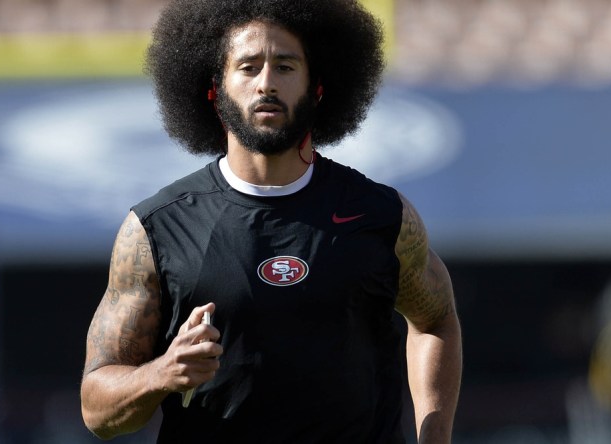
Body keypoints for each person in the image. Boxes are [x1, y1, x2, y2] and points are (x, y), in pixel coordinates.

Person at [80, 0, 462, 442]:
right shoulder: (156, 229)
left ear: (317, 86)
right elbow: (96, 411)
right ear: (214, 89)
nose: (266, 83)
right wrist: (161, 373)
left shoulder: (380, 214)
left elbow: (436, 322)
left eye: (285, 66)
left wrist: (434, 435)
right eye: (247, 67)